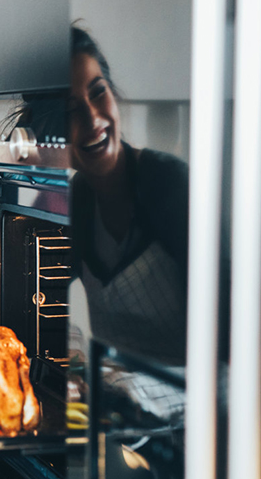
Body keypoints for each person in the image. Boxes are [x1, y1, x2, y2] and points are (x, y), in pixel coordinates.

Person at [66, 26, 189, 367]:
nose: (93, 118)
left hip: (197, 404)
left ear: (114, 96)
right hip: (115, 403)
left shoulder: (169, 182)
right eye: (71, 110)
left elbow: (231, 329)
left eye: (98, 93)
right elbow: (47, 294)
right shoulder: (78, 197)